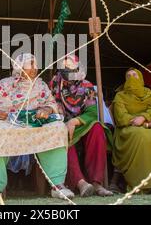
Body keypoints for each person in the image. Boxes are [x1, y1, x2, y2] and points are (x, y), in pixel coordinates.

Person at [0, 53, 73, 201]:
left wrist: (47, 110)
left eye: (35, 64)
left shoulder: (41, 85)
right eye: (30, 64)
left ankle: (58, 186)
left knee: (58, 127)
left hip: (35, 125)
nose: (34, 68)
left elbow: (51, 102)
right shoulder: (5, 83)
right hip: (9, 123)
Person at [50, 55, 113, 197]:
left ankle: (97, 183)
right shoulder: (55, 83)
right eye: (64, 65)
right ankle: (81, 183)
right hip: (61, 124)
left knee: (97, 128)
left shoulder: (87, 86)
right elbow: (50, 105)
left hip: (81, 123)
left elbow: (92, 112)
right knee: (63, 135)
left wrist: (74, 121)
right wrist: (63, 121)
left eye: (71, 65)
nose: (67, 69)